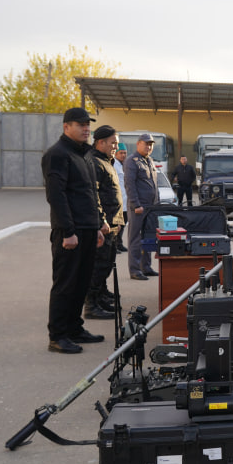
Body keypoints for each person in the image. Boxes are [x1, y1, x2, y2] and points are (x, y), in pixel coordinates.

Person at [43, 107, 109, 354]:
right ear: (66, 127)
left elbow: (90, 193)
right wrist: (68, 231)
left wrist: (98, 225)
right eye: (80, 125)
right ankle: (57, 335)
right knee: (66, 284)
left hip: (87, 229)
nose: (86, 129)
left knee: (81, 283)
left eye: (87, 125)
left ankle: (74, 328)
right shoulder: (58, 155)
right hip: (70, 233)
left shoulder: (84, 155)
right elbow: (57, 196)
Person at [85, 125, 125, 320]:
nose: (115, 147)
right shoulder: (94, 162)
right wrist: (101, 221)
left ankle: (100, 297)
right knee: (98, 265)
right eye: (113, 143)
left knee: (106, 263)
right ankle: (91, 305)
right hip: (104, 224)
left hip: (113, 222)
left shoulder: (106, 161)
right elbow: (94, 195)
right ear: (100, 142)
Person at [124, 132, 160, 280]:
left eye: (151, 144)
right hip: (139, 207)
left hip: (151, 207)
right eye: (146, 144)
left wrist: (156, 205)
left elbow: (154, 185)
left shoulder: (150, 160)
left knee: (149, 238)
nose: (149, 146)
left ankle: (145, 267)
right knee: (136, 239)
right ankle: (134, 270)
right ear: (138, 144)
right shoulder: (132, 161)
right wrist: (135, 204)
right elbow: (130, 185)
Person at [113, 147, 129, 252]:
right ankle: (113, 246)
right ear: (116, 154)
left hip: (125, 200)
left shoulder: (125, 165)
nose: (123, 155)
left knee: (123, 224)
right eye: (121, 153)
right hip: (118, 200)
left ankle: (119, 244)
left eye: (125, 153)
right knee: (116, 225)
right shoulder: (114, 164)